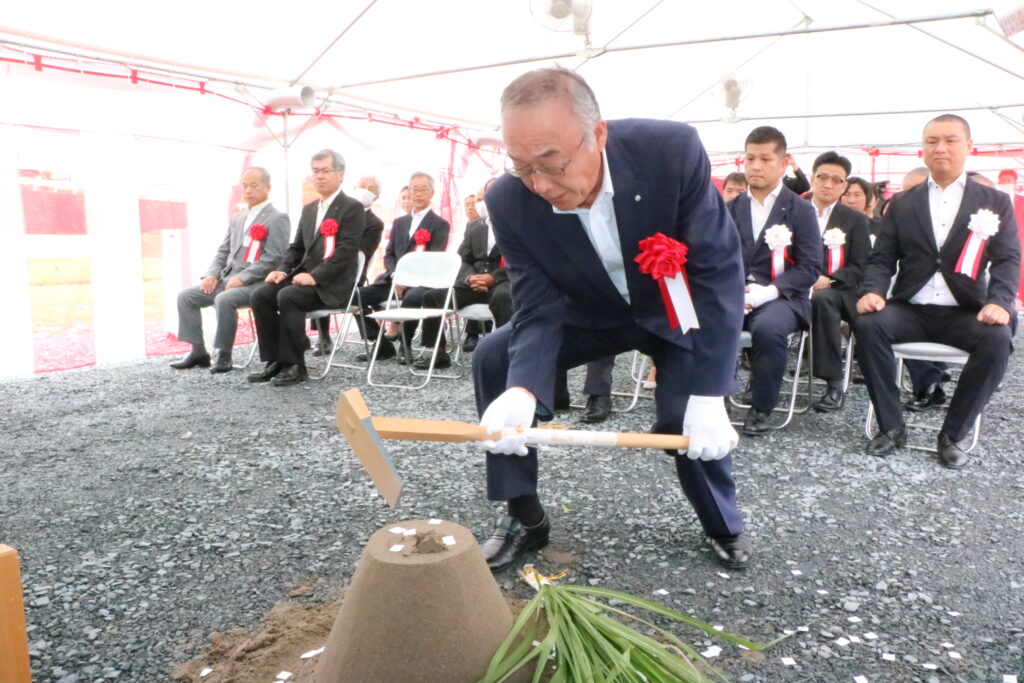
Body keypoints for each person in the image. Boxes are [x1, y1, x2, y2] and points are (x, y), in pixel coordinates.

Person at [474, 68, 750, 573]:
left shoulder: (670, 152)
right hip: (590, 312)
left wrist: (713, 390)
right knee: (496, 357)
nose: (539, 184)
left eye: (551, 163)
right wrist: (522, 390)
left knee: (686, 417)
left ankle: (722, 521)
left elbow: (718, 271)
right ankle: (523, 516)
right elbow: (536, 303)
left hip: (673, 310)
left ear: (597, 133)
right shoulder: (508, 200)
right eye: (521, 166)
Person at [855, 114, 1020, 468]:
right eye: (932, 141)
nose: (940, 148)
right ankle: (890, 427)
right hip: (911, 308)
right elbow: (881, 258)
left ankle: (953, 434)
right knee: (868, 325)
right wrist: (873, 291)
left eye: (950, 140)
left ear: (968, 147)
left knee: (996, 338)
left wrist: (1000, 302)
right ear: (922, 150)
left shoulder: (995, 201)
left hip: (964, 311)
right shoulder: (902, 202)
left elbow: (1007, 259)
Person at [725, 126, 821, 435]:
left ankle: (762, 406)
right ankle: (715, 396)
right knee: (707, 319)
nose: (755, 166)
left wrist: (770, 291)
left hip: (783, 298)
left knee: (768, 329)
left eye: (765, 159)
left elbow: (810, 267)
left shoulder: (801, 210)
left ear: (783, 163)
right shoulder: (730, 208)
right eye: (750, 158)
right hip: (734, 294)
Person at [247, 149, 366, 386]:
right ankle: (275, 360)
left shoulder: (352, 208)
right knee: (261, 294)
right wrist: (282, 269)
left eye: (325, 171)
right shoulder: (310, 208)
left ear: (340, 174)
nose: (319, 176)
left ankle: (295, 364)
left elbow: (346, 251)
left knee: (289, 295)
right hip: (304, 279)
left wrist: (315, 276)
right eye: (315, 171)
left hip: (333, 284)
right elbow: (297, 247)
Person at [171, 168, 289, 373]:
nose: (248, 190)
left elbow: (274, 258)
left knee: (224, 300)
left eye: (254, 185)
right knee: (186, 297)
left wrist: (243, 278)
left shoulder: (278, 218)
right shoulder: (238, 218)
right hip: (227, 279)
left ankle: (223, 355)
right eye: (245, 186)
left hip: (256, 284)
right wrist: (212, 274)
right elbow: (223, 251)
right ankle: (199, 351)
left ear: (267, 188)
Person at [354, 172, 451, 362]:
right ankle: (380, 342)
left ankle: (406, 345)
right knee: (356, 297)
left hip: (424, 282)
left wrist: (409, 279)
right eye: (414, 189)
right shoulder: (400, 223)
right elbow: (389, 254)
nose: (418, 194)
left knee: (414, 296)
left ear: (431, 193)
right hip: (394, 281)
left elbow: (435, 258)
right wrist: (395, 275)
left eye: (423, 189)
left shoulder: (440, 224)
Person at [417, 180, 512, 369]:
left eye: (485, 197)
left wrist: (494, 278)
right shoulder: (473, 226)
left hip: (501, 281)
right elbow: (462, 258)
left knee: (504, 297)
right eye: (479, 199)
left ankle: (507, 354)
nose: (481, 203)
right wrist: (469, 278)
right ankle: (439, 352)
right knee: (432, 297)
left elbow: (521, 261)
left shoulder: (515, 224)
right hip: (474, 282)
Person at [806, 152, 872, 411]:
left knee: (822, 301)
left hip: (836, 290)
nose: (828, 184)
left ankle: (833, 383)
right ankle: (761, 380)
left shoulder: (855, 220)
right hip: (792, 285)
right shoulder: (794, 211)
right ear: (812, 179)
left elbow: (861, 265)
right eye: (822, 177)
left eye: (836, 180)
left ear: (843, 186)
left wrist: (829, 282)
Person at [312, 174, 385, 356]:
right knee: (316, 280)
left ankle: (377, 339)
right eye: (362, 185)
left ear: (376, 196)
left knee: (348, 293)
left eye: (371, 189)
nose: (365, 190)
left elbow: (362, 251)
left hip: (353, 270)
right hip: (328, 265)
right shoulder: (337, 213)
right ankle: (323, 335)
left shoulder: (375, 223)